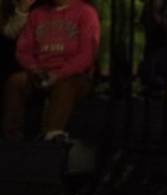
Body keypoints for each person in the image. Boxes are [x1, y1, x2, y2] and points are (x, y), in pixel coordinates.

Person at [1, 0, 99, 144]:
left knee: (65, 87)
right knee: (16, 82)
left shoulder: (86, 12)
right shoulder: (37, 14)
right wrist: (34, 69)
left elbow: (86, 55)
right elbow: (23, 50)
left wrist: (59, 74)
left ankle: (51, 139)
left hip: (72, 76)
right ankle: (11, 139)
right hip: (40, 72)